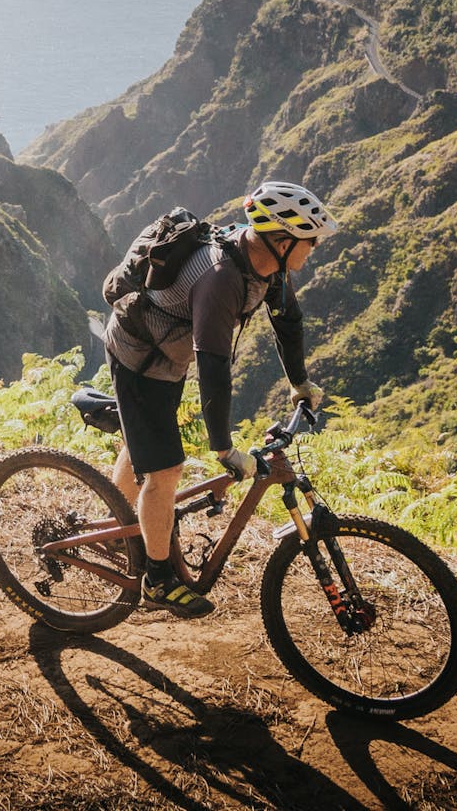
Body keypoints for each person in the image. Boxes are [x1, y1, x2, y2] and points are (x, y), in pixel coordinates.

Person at [104, 180, 337, 619]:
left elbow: (288, 321)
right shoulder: (221, 280)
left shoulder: (267, 265)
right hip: (139, 356)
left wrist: (300, 382)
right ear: (283, 242)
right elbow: (213, 371)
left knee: (145, 447)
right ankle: (157, 580)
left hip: (168, 354)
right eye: (311, 240)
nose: (315, 249)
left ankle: (120, 525)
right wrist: (224, 449)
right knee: (165, 470)